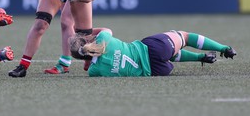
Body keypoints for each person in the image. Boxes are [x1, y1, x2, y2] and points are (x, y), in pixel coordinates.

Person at [69, 27, 237, 77]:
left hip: (158, 71)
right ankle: (224, 48)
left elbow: (91, 63)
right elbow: (106, 30)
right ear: (87, 40)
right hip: (154, 49)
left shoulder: (93, 71)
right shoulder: (103, 39)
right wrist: (89, 32)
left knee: (168, 56)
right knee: (184, 36)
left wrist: (87, 59)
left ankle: (201, 57)